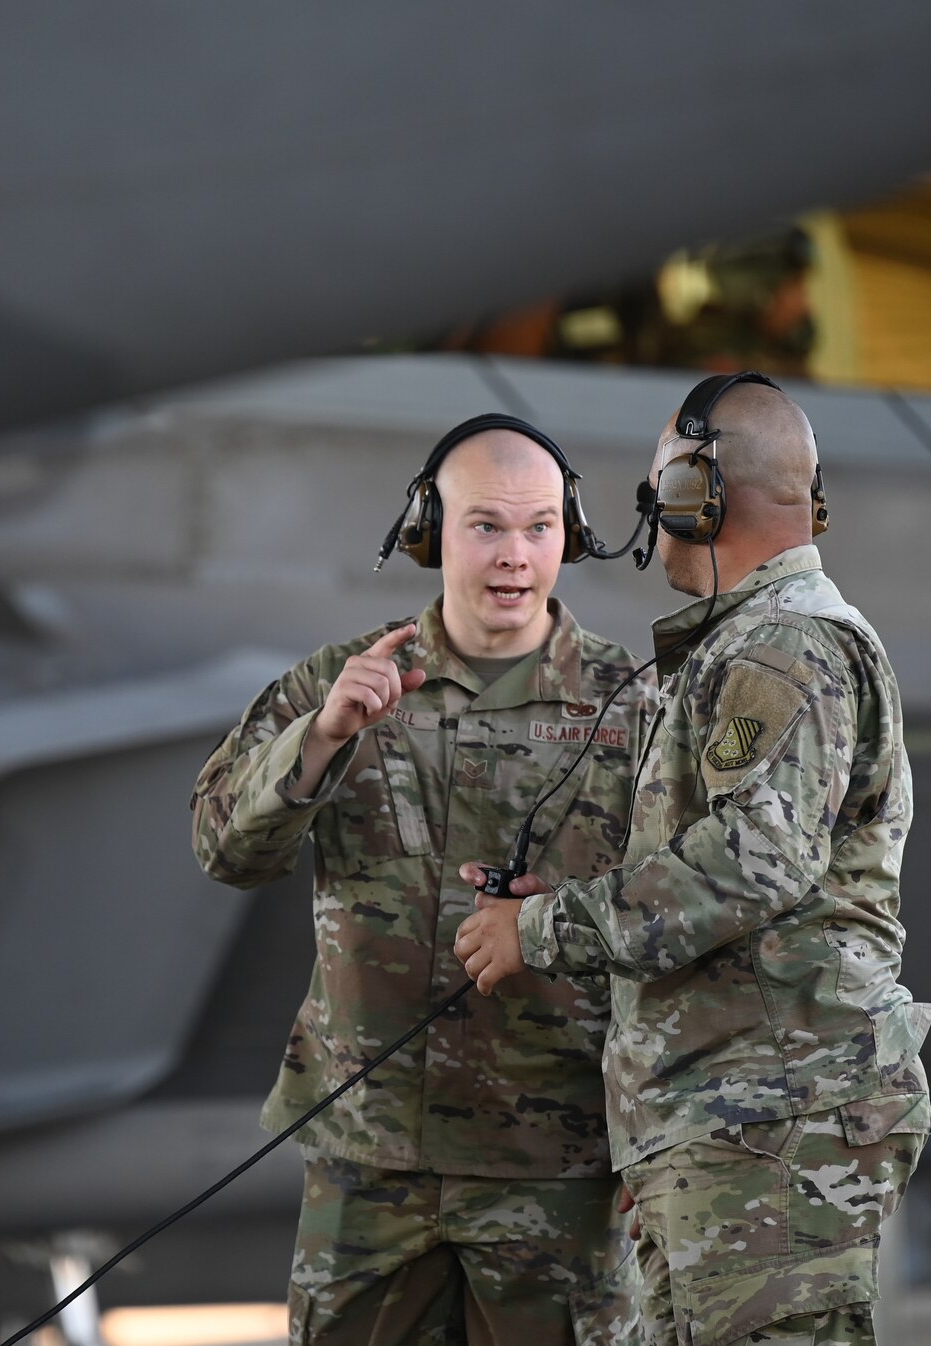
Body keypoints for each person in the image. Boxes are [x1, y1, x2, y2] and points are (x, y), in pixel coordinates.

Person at [455, 375, 931, 1346]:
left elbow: (756, 860)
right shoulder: (749, 641)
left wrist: (541, 927)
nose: (652, 521)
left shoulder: (782, 644)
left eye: (655, 494)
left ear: (696, 493)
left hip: (767, 1115)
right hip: (724, 1119)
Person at [191, 415, 656, 1344]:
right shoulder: (345, 683)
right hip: (371, 1166)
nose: (515, 556)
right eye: (485, 526)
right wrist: (321, 741)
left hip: (554, 1169)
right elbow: (224, 851)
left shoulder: (633, 705)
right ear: (429, 531)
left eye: (539, 528)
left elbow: (679, 925)